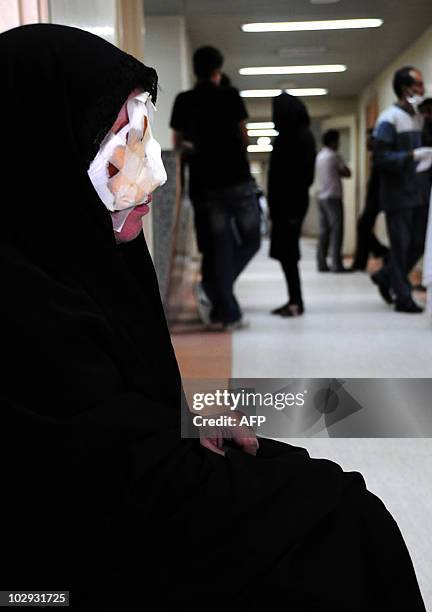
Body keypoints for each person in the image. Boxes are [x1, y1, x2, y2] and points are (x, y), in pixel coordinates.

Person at [3, 24, 427, 610]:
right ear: (44, 151)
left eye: (144, 138)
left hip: (129, 486)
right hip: (44, 586)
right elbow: (72, 477)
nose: (149, 171)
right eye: (120, 143)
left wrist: (180, 420)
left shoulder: (84, 258)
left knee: (322, 490)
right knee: (339, 524)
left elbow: (119, 400)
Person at [170, 46, 260, 330]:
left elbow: (178, 146)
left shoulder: (183, 100)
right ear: (217, 71)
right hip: (238, 181)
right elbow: (245, 137)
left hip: (207, 186)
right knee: (252, 239)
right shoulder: (231, 96)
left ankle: (220, 297)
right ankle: (219, 295)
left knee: (220, 249)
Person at [371, 66, 432, 313]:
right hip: (398, 195)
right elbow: (381, 158)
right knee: (400, 245)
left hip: (419, 192)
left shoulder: (421, 117)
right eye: (418, 85)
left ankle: (386, 276)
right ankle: (403, 297)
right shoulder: (388, 119)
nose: (422, 88)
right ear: (405, 89)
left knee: (417, 244)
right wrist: (411, 155)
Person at [268, 93, 316, 317]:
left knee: (289, 254)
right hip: (286, 205)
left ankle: (296, 302)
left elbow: (302, 176)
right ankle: (294, 299)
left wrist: (288, 208)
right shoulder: (290, 136)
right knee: (287, 254)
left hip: (291, 205)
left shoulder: (298, 138)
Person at [350, 129, 389, 270]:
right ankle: (379, 252)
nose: (367, 143)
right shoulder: (375, 156)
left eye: (370, 139)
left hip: (378, 197)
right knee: (363, 226)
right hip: (373, 196)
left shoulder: (382, 156)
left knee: (363, 226)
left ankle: (380, 253)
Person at [315, 129, 352, 272]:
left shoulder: (320, 156)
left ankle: (321, 263)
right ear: (333, 142)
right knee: (337, 231)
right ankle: (337, 265)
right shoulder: (334, 156)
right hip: (333, 197)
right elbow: (347, 173)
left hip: (321, 197)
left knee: (324, 231)